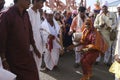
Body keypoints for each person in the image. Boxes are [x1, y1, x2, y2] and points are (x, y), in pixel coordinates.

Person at [0, 0, 41, 80]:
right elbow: (2, 39)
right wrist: (4, 60)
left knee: (35, 75)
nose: (30, 1)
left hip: (27, 56)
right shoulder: (6, 15)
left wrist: (35, 48)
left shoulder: (26, 14)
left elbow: (30, 33)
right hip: (14, 60)